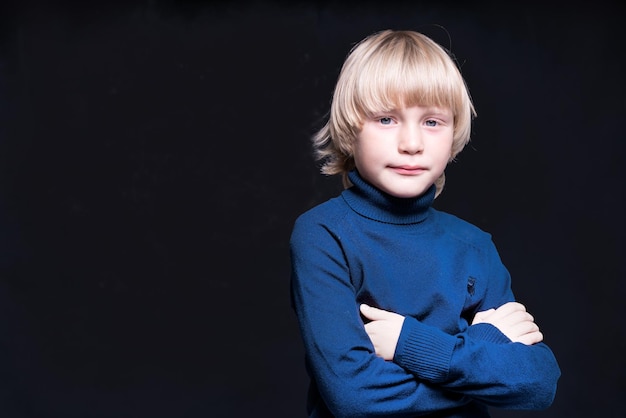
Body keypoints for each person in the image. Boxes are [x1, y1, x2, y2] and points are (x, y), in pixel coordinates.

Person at [289, 29, 560, 418]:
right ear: (351, 131)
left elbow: (538, 383)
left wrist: (407, 343)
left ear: (452, 136)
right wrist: (484, 343)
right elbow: (356, 398)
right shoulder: (324, 235)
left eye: (432, 122)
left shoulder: (473, 244)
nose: (411, 143)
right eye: (386, 119)